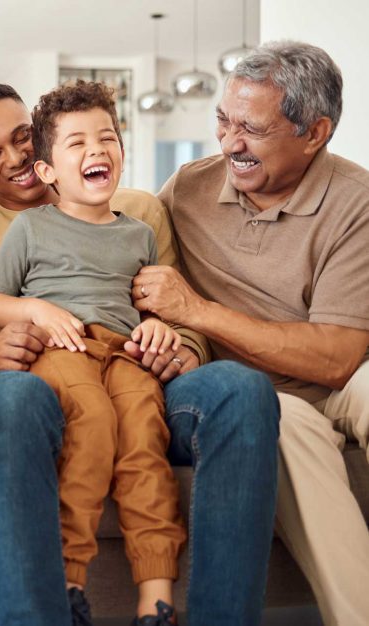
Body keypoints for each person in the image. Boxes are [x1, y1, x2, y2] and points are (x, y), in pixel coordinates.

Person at [0, 82, 280, 626]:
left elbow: (171, 308)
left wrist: (174, 344)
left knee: (210, 400)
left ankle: (160, 600)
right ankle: (62, 589)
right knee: (71, 412)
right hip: (39, 368)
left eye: (22, 138)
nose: (16, 157)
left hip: (127, 358)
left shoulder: (137, 217)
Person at [135, 41, 369, 626]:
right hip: (266, 399)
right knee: (279, 423)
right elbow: (134, 272)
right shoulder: (186, 189)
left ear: (314, 133)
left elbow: (340, 358)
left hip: (340, 374)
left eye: (253, 129)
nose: (230, 143)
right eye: (223, 120)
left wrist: (198, 311)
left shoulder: (355, 201)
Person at [0, 80, 185, 625]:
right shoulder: (31, 226)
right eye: (76, 144)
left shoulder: (139, 233)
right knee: (90, 421)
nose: (96, 150)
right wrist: (36, 311)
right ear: (47, 171)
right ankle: (70, 581)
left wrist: (162, 329)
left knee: (143, 432)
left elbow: (151, 305)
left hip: (126, 354)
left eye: (107, 138)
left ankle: (156, 599)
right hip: (63, 347)